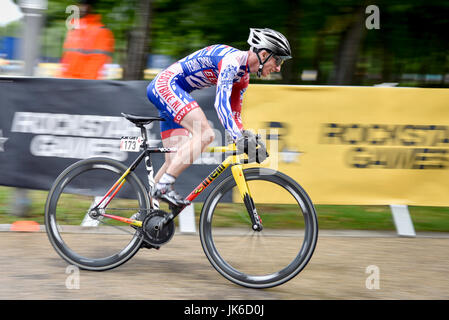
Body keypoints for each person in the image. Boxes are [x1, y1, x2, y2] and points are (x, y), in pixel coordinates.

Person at [147, 28, 291, 207]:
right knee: (206, 134)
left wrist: (244, 135)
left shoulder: (243, 78)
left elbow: (235, 114)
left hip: (174, 89)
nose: (278, 67)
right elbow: (221, 104)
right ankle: (163, 187)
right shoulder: (232, 61)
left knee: (175, 159)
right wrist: (239, 138)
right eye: (278, 61)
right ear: (263, 54)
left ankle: (147, 215)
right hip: (166, 85)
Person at [60, 0, 114, 79]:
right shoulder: (74, 29)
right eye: (78, 4)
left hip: (84, 85)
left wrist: (85, 85)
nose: (79, 8)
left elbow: (97, 61)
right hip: (67, 82)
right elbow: (67, 58)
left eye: (83, 4)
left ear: (90, 7)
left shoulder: (101, 31)